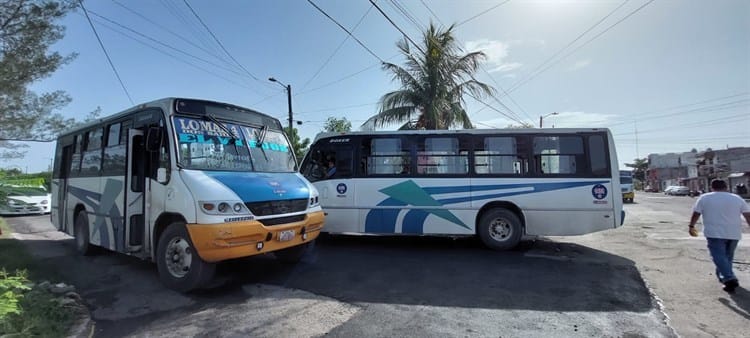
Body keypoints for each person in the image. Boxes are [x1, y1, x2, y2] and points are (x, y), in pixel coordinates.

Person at [688, 179, 750, 293]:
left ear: (712, 187)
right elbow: (747, 215)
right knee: (727, 257)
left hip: (714, 233)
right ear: (726, 187)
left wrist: (691, 226)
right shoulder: (737, 198)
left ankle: (729, 278)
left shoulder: (705, 198)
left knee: (718, 256)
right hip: (733, 233)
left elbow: (696, 213)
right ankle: (724, 278)